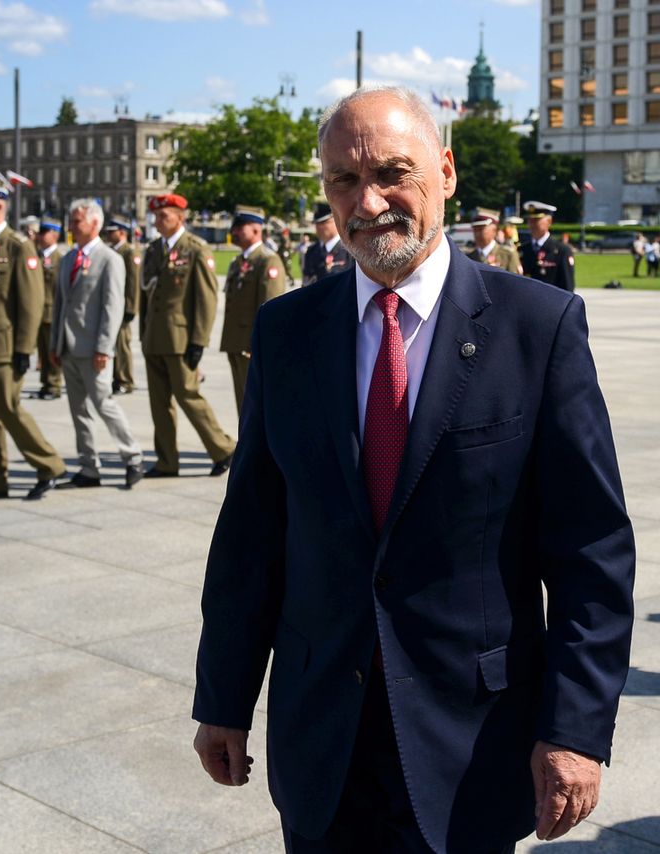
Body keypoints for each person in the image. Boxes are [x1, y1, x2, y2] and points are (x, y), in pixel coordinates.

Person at [192, 86, 635, 854]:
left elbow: (591, 553)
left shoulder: (538, 328)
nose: (368, 201)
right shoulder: (289, 331)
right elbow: (251, 537)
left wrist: (574, 729)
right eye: (342, 181)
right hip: (322, 739)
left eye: (394, 172)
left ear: (448, 172)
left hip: (471, 743)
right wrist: (223, 696)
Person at [0, 177, 66, 500]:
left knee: (9, 409)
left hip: (4, 346)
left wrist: (24, 348)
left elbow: (31, 303)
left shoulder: (18, 246)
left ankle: (49, 465)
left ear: (0, 206)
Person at [139, 193, 236, 478]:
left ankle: (223, 448)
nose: (158, 221)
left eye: (164, 216)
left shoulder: (194, 249)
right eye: (156, 216)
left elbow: (205, 300)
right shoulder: (154, 249)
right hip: (154, 338)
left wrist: (198, 341)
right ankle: (166, 460)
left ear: (180, 218)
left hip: (180, 339)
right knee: (159, 403)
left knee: (187, 396)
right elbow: (146, 296)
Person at [50, 199, 143, 490]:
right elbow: (60, 305)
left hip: (94, 350)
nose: (71, 226)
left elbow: (112, 308)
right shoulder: (68, 258)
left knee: (104, 404)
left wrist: (104, 348)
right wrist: (55, 343)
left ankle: (132, 457)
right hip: (69, 348)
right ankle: (89, 467)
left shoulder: (109, 259)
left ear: (95, 223)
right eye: (71, 220)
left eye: (77, 221)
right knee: (79, 410)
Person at [222, 205, 287, 413]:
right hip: (235, 342)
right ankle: (246, 445)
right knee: (242, 404)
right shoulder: (239, 261)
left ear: (256, 230)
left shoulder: (267, 260)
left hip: (251, 346)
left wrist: (260, 345)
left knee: (256, 406)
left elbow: (271, 308)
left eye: (240, 228)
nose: (234, 233)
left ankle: (257, 446)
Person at [103, 216, 140, 396]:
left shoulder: (128, 253)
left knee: (122, 345)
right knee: (114, 344)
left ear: (122, 233)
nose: (109, 235)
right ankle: (117, 378)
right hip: (112, 305)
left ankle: (125, 379)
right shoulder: (111, 251)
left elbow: (133, 282)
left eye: (112, 232)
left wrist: (131, 308)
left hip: (123, 306)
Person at [33, 217, 65, 400]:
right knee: (42, 351)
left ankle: (54, 384)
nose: (40, 236)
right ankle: (45, 382)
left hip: (52, 311)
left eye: (44, 233)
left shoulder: (60, 258)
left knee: (53, 351)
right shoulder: (36, 256)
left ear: (55, 235)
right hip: (37, 311)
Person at [519, 202, 575, 292]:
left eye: (536, 220)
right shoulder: (522, 249)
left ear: (549, 221)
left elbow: (568, 287)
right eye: (529, 220)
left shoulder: (561, 250)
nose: (531, 224)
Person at [301, 203, 353, 286]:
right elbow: (307, 281)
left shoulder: (350, 250)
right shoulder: (312, 251)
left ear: (336, 221)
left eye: (323, 223)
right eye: (316, 224)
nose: (318, 227)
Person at [467, 207, 523, 274]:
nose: (478, 234)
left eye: (481, 229)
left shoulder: (508, 255)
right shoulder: (468, 258)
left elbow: (516, 282)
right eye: (475, 229)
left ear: (494, 230)